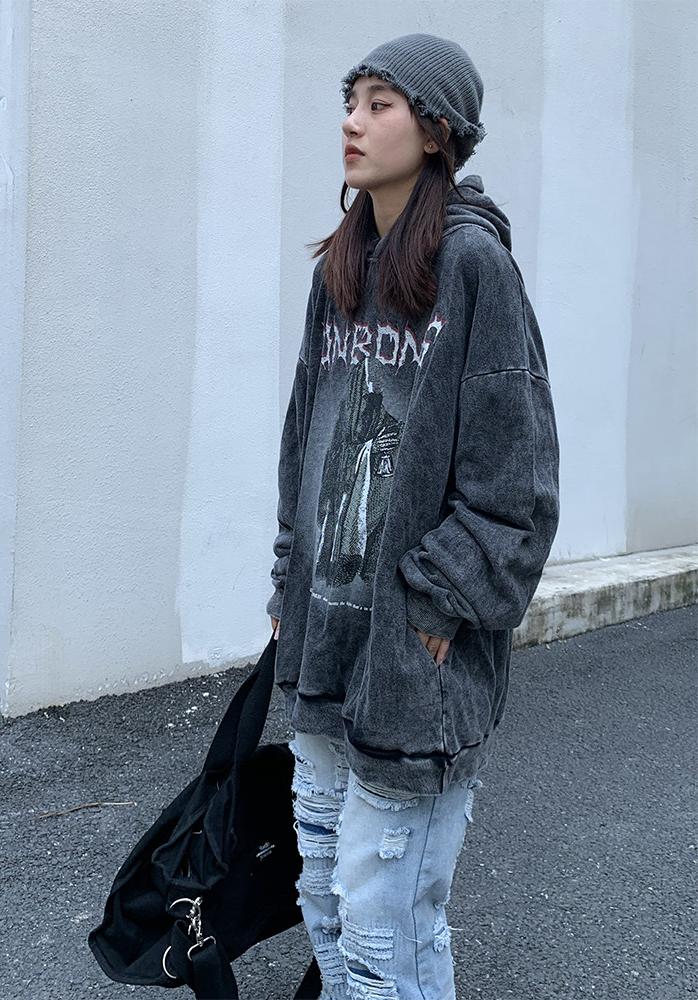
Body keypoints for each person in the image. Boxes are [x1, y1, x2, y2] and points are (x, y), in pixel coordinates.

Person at [267, 33, 559, 1000]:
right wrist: (289, 580)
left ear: (437, 130)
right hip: (325, 638)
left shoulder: (474, 267)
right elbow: (304, 442)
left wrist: (439, 603)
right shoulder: (340, 271)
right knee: (323, 894)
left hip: (410, 656)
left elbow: (517, 481)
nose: (353, 121)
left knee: (384, 920)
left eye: (379, 103)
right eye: (350, 101)